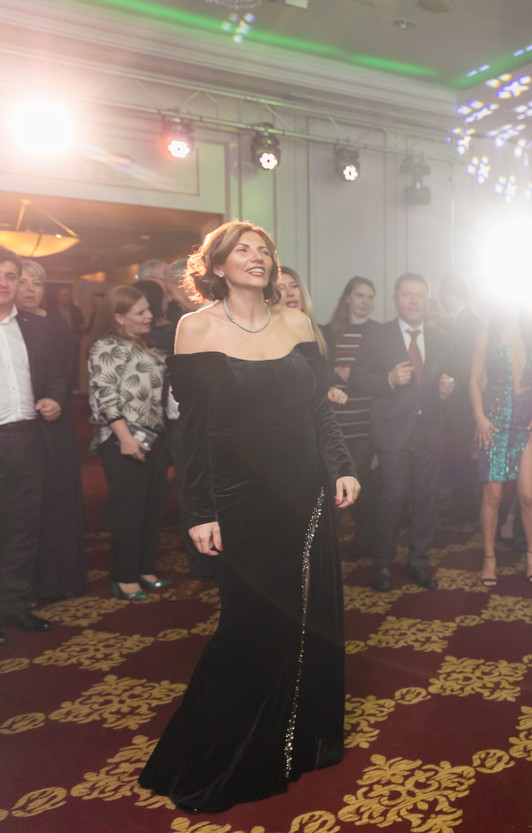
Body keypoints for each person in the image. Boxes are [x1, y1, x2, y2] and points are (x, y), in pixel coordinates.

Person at [138, 221, 359, 813]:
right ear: (217, 264)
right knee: (248, 623)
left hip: (305, 491)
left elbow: (318, 410)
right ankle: (230, 749)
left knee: (309, 614)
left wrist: (340, 465)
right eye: (243, 249)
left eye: (264, 250)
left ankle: (301, 741)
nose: (257, 257)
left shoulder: (297, 323)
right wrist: (199, 510)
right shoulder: (196, 328)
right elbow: (192, 432)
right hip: (239, 498)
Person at [352, 272, 454, 592]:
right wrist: (388, 379)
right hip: (392, 429)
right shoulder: (377, 336)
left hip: (429, 429)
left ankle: (418, 560)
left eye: (420, 295)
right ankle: (382, 561)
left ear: (427, 301)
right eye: (407, 294)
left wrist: (447, 391)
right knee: (394, 494)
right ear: (396, 299)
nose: (413, 301)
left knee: (427, 497)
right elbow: (357, 380)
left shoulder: (441, 339)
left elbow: (445, 381)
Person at [87, 285, 171, 601]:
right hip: (122, 438)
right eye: (141, 312)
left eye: (148, 309)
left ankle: (145, 570)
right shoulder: (107, 347)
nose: (149, 315)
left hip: (154, 435)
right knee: (128, 511)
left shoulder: (144, 344)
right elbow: (106, 397)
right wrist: (125, 438)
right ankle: (124, 578)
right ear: (119, 317)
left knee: (151, 507)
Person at [0, 245, 66, 645]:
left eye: (10, 276)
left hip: (26, 437)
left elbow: (55, 374)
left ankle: (14, 604)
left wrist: (55, 399)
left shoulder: (34, 327)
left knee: (23, 526)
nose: (4, 283)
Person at [17, 260, 87, 602]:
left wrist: (57, 400)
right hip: (18, 428)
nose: (30, 289)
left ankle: (63, 579)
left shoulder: (55, 324)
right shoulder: (9, 325)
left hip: (54, 425)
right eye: (23, 282)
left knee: (59, 500)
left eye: (38, 283)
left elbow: (64, 372)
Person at [470, 305, 532, 586]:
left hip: (526, 424)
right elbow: (474, 380)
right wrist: (480, 418)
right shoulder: (487, 333)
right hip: (494, 422)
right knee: (493, 495)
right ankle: (489, 558)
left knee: (529, 495)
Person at [324, 276, 382, 558]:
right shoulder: (330, 332)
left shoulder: (379, 332)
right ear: (348, 297)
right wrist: (335, 373)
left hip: (365, 420)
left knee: (349, 477)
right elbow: (319, 371)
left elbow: (382, 377)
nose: (365, 302)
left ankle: (338, 540)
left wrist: (355, 375)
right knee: (356, 481)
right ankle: (362, 535)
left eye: (370, 297)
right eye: (360, 295)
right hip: (335, 420)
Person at [438, 275, 482, 523]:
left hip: (462, 396)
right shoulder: (462, 319)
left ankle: (463, 508)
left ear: (449, 294)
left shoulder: (469, 320)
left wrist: (452, 380)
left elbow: (469, 361)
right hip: (458, 394)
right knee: (457, 452)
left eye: (443, 293)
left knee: (459, 453)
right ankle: (461, 505)